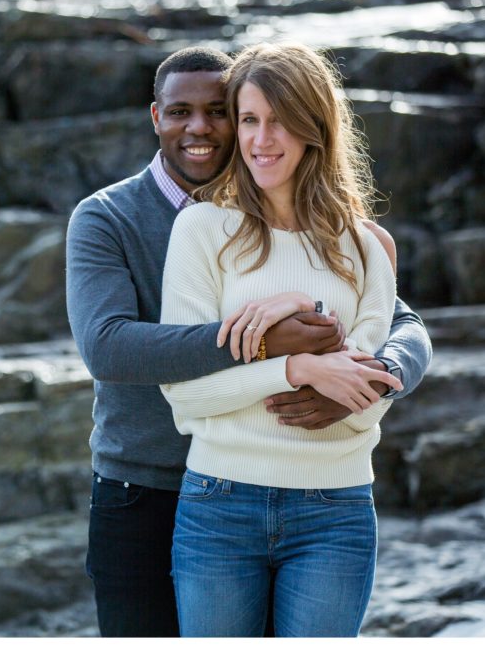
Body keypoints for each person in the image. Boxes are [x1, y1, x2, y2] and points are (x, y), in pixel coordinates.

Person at [65, 46, 432, 638]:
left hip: (315, 491)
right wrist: (276, 347)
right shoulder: (114, 217)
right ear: (155, 116)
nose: (202, 128)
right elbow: (109, 348)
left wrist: (373, 375)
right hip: (151, 485)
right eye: (182, 112)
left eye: (221, 111)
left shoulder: (350, 239)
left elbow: (400, 324)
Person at [159, 41, 406, 637]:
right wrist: (296, 370)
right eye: (248, 120)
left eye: (280, 121)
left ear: (314, 128)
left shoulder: (368, 248)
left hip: (336, 509)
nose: (261, 140)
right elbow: (185, 397)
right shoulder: (200, 229)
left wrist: (300, 315)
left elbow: (365, 402)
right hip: (219, 505)